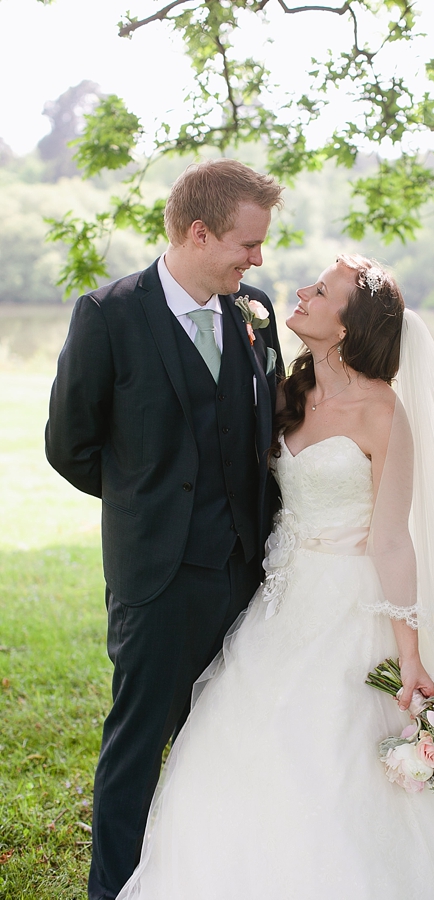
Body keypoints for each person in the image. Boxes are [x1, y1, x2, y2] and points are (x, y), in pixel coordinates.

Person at [116, 255, 434, 900]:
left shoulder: (382, 413)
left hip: (349, 603)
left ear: (348, 325)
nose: (301, 293)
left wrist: (411, 653)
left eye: (321, 291)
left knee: (334, 760)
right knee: (242, 743)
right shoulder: (286, 389)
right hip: (279, 597)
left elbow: (393, 540)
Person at [45, 158, 284, 900]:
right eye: (247, 244)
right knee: (139, 745)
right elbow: (69, 446)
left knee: (227, 743)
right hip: (158, 579)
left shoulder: (256, 310)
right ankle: (115, 890)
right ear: (199, 231)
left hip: (250, 574)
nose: (258, 259)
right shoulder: (109, 314)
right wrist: (148, 506)